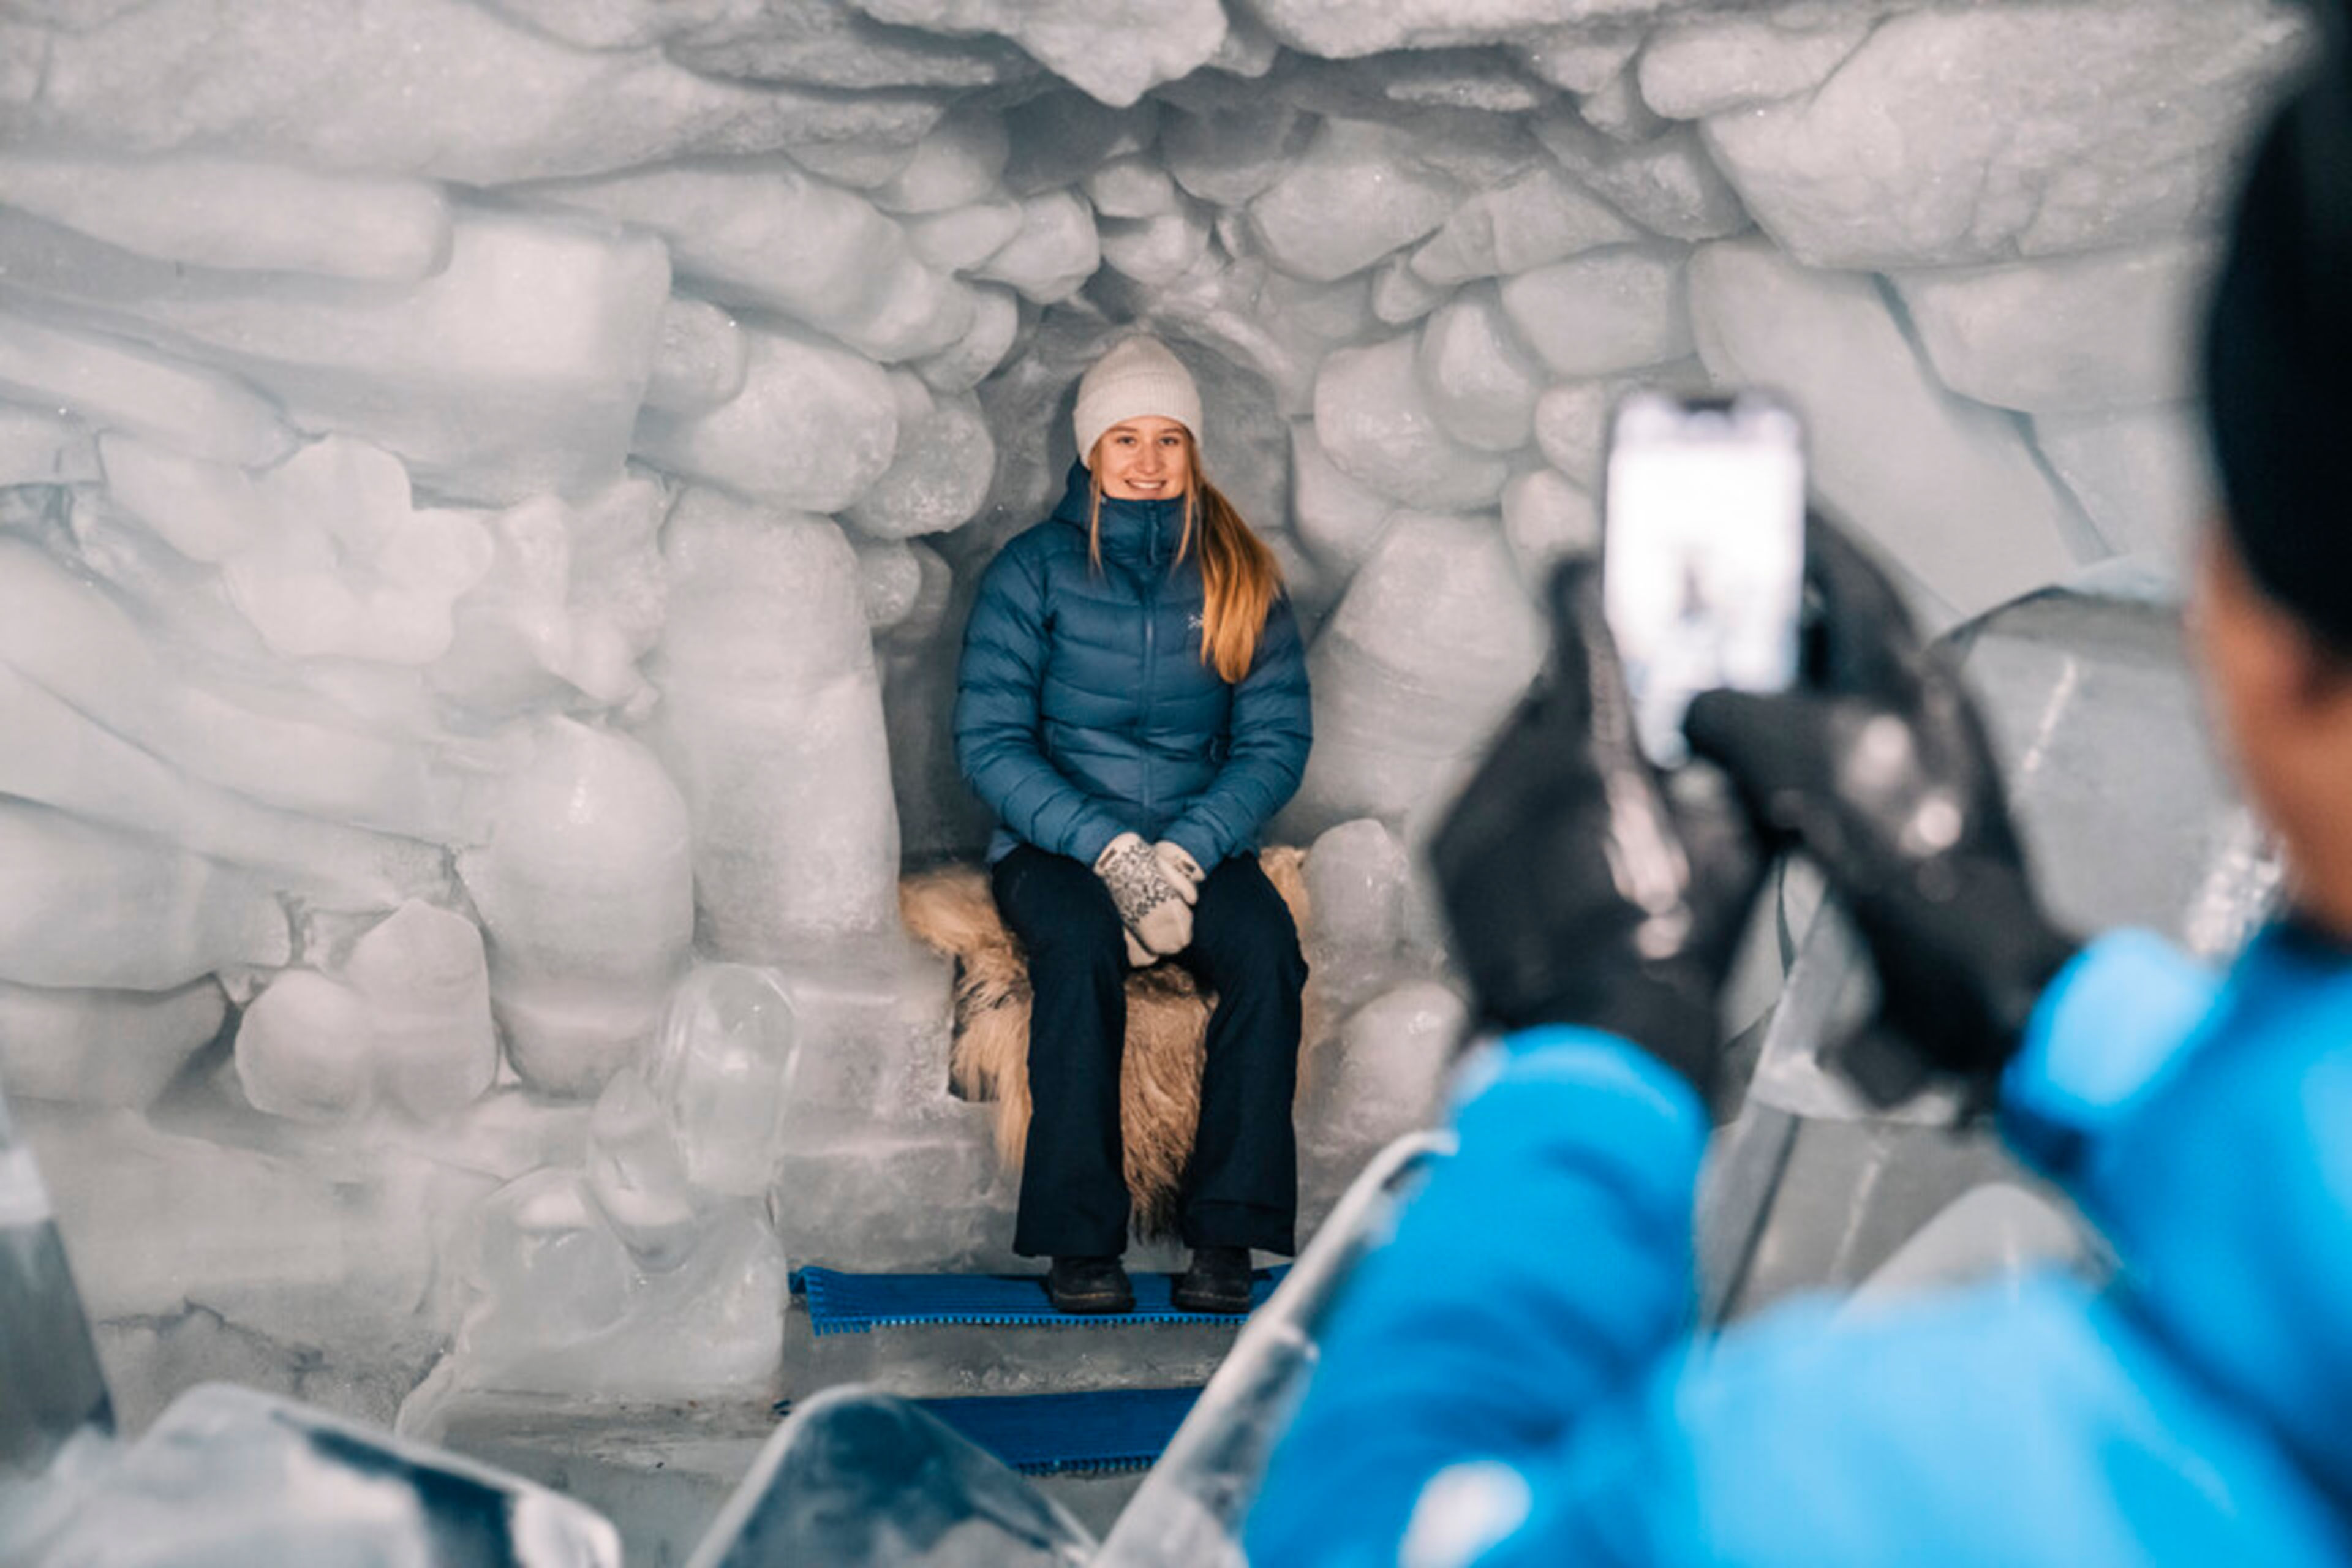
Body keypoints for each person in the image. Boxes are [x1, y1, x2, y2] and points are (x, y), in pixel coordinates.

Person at [1245, 39, 2352, 1568]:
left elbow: (1375, 1535)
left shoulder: (1930, 1494)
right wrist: (2048, 999)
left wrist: (1591, 1062)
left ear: (2266, 641)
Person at [953, 334, 1312, 1317]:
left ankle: (1226, 1235)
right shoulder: (1032, 573)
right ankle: (1081, 1244)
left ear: (1193, 451)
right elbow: (991, 743)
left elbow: (1273, 742)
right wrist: (1109, 850)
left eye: (1168, 440)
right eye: (1125, 439)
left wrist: (1187, 852)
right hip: (1060, 848)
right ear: (1090, 452)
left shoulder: (1241, 573)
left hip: (1199, 846)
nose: (1148, 462)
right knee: (1075, 953)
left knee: (1268, 956)